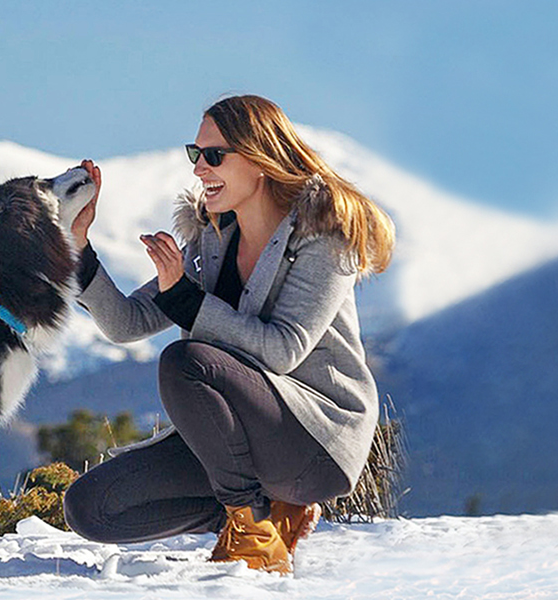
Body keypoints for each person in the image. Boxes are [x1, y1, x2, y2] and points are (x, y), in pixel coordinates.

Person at [61, 95, 395, 574]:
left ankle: (254, 531)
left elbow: (282, 351)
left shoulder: (325, 234)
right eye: (195, 154)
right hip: (242, 445)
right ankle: (268, 511)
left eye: (214, 155)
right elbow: (125, 323)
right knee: (92, 507)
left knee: (186, 362)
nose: (200, 169)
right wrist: (78, 246)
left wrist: (185, 300)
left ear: (260, 158)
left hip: (315, 443)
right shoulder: (211, 241)